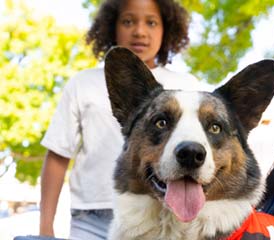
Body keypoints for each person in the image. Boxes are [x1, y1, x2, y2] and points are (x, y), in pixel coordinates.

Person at [39, 0, 203, 239]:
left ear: (166, 29)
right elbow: (57, 155)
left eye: (151, 22)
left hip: (159, 216)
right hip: (91, 217)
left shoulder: (186, 86)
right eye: (128, 21)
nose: (139, 31)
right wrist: (45, 227)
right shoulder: (83, 84)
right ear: (111, 26)